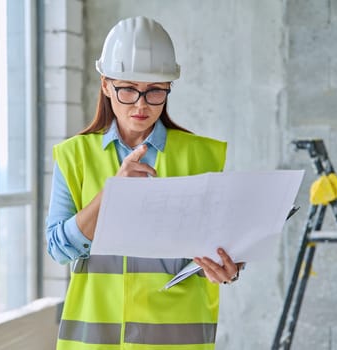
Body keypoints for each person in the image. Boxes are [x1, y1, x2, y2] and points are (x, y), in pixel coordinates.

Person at [46, 16, 242, 350]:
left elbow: (225, 249)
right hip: (95, 342)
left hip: (175, 340)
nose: (141, 104)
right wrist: (111, 195)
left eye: (154, 91)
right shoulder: (74, 156)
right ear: (106, 85)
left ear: (167, 89)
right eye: (128, 90)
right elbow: (58, 249)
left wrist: (230, 269)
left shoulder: (204, 156)